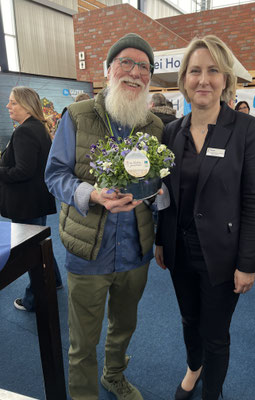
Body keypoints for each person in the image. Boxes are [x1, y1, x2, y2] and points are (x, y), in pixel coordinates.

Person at [45, 33, 164, 400]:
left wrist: (157, 194)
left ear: (149, 78)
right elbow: (55, 175)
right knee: (82, 342)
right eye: (126, 62)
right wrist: (91, 194)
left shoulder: (154, 126)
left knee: (124, 326)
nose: (135, 71)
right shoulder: (77, 116)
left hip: (135, 252)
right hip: (87, 252)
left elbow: (161, 180)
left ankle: (114, 375)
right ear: (108, 69)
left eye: (144, 66)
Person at [155, 35, 255, 400]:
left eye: (213, 71)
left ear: (225, 79)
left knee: (215, 333)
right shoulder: (172, 131)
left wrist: (248, 262)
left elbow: (252, 199)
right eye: (195, 71)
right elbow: (165, 194)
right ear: (184, 79)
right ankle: (194, 367)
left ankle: (212, 392)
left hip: (222, 253)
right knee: (189, 321)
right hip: (179, 249)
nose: (204, 79)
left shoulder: (245, 129)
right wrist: (160, 239)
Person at [0, 86, 62, 312]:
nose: (8, 106)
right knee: (40, 245)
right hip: (35, 200)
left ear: (25, 105)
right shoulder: (39, 128)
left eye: (13, 102)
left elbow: (22, 171)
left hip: (26, 202)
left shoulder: (25, 131)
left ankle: (33, 299)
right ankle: (53, 280)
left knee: (31, 251)